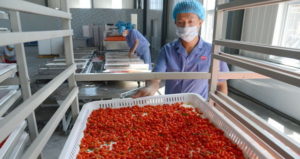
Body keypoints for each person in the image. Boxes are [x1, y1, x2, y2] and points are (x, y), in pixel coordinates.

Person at [133, 0, 229, 100]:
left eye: (190, 21)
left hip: (198, 107)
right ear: (175, 23)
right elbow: (156, 77)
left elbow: (221, 84)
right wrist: (151, 87)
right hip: (171, 107)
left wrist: (218, 107)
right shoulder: (167, 50)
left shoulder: (212, 52)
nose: (186, 26)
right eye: (180, 22)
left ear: (200, 22)